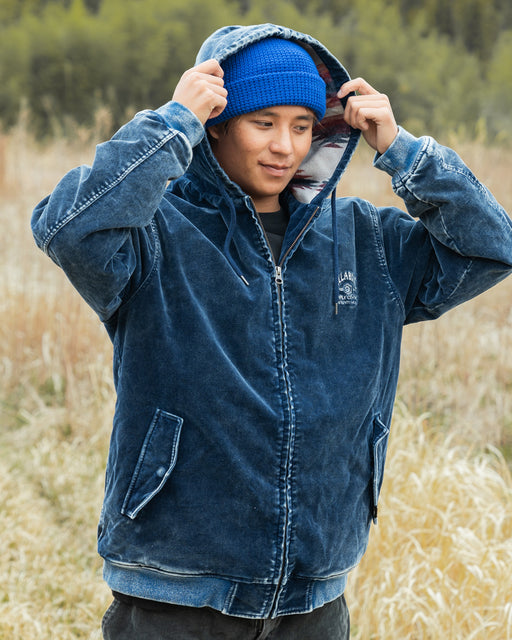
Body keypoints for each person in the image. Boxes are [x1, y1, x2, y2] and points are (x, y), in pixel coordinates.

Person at [31, 22, 512, 640]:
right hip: (176, 592)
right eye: (263, 123)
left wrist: (405, 152)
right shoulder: (155, 236)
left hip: (314, 598)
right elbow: (68, 230)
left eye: (303, 126)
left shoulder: (366, 240)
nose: (285, 146)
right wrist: (173, 122)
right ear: (217, 124)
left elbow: (491, 247)